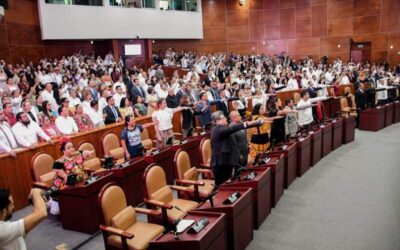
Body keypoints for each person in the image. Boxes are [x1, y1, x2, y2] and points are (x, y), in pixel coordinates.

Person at [210, 111, 268, 185]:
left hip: (226, 161)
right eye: (223, 118)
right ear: (217, 121)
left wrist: (257, 123)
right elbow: (234, 128)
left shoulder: (222, 128)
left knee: (227, 182)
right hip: (220, 163)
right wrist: (250, 123)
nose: (225, 119)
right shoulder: (217, 130)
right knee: (221, 185)